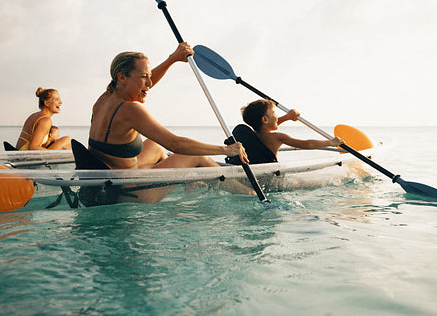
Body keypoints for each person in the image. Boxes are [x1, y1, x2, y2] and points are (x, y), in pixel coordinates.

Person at [88, 43, 254, 203]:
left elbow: (140, 84)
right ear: (122, 77)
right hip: (130, 193)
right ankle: (249, 194)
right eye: (144, 77)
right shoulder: (130, 110)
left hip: (107, 185)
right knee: (195, 156)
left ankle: (183, 179)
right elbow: (175, 144)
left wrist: (172, 59)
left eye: (149, 77)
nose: (149, 83)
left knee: (154, 145)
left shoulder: (105, 98)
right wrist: (226, 150)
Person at [237, 99, 344, 162]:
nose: (277, 116)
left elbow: (267, 126)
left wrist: (288, 117)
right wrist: (330, 142)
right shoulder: (278, 137)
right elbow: (307, 144)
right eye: (274, 113)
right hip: (276, 180)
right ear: (264, 119)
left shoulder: (253, 136)